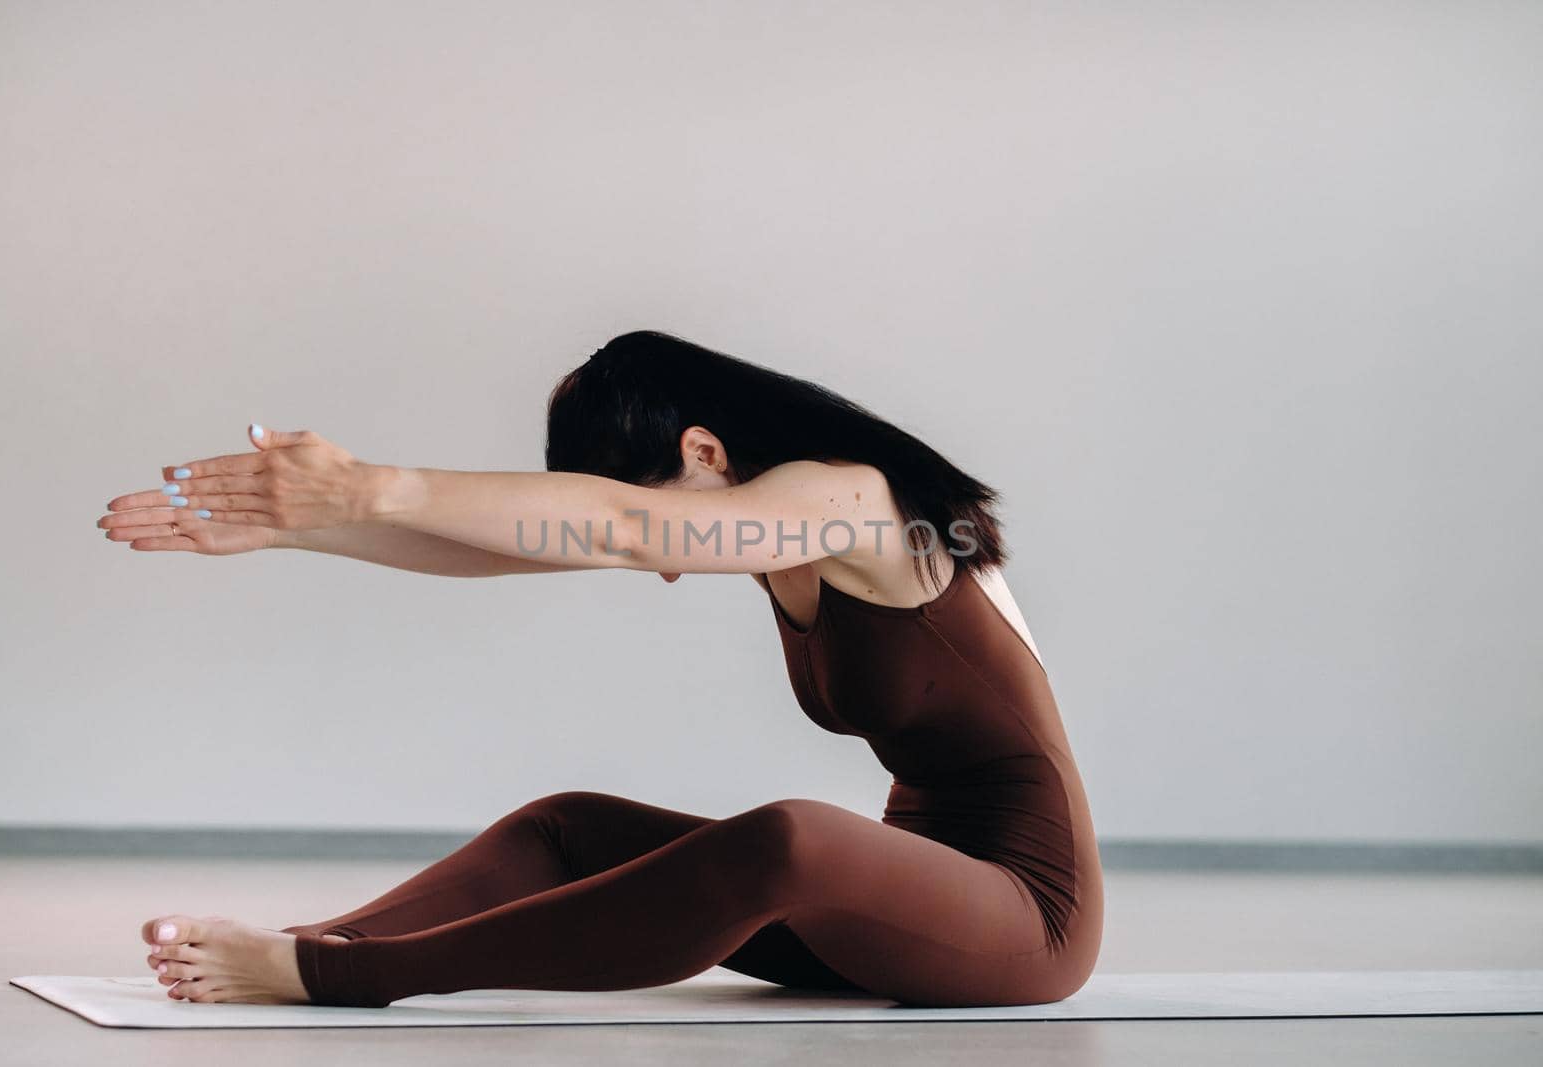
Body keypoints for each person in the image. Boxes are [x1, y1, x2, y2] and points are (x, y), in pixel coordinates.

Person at [100, 330, 1103, 1008]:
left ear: (705, 449)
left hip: (1023, 921)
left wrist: (372, 481)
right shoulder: (779, 532)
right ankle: (319, 939)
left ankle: (333, 974)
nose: (665, 559)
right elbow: (511, 544)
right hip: (890, 916)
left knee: (794, 834)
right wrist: (302, 527)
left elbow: (620, 526)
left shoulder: (850, 500)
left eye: (665, 516)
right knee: (567, 824)